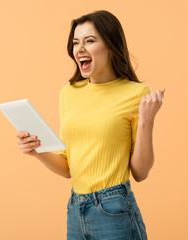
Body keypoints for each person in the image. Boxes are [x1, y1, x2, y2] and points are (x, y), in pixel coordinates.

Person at [16, 10, 165, 240]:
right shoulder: (69, 93)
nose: (80, 49)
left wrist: (146, 120)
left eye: (90, 41)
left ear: (111, 45)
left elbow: (141, 172)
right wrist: (37, 151)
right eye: (76, 43)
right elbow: (68, 167)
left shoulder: (136, 93)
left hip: (114, 210)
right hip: (76, 208)